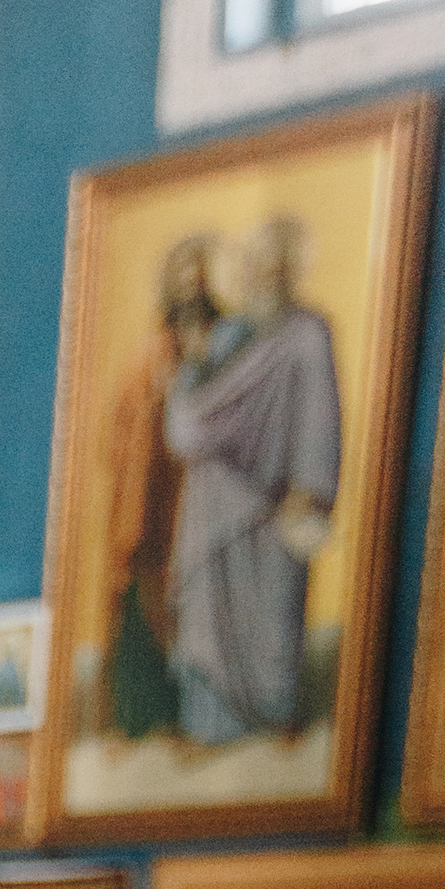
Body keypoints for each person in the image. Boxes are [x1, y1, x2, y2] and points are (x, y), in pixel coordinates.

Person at [162, 215, 342, 744]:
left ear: (290, 271)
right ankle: (209, 725)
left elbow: (321, 417)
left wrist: (310, 487)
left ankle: (277, 713)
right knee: (208, 607)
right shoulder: (233, 334)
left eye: (276, 265)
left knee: (274, 610)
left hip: (276, 500)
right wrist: (193, 368)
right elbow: (192, 411)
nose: (264, 275)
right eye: (256, 265)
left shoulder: (307, 333)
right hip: (214, 495)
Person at [99, 231, 218, 738]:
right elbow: (121, 431)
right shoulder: (150, 352)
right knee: (139, 598)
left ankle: (195, 710)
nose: (191, 285)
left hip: (201, 494)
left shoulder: (223, 340)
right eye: (182, 276)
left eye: (198, 275)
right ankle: (138, 716)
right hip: (150, 497)